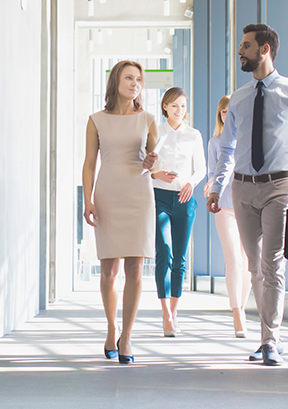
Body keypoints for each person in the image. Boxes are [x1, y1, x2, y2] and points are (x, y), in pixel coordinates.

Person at [206, 24, 288, 366]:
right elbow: (226, 148)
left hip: (279, 187)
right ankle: (267, 336)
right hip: (241, 189)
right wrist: (216, 187)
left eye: (246, 46)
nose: (240, 52)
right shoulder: (239, 97)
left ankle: (270, 340)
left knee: (273, 264)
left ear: (264, 50)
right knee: (254, 267)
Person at [83, 60, 159, 364]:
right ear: (116, 81)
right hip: (108, 194)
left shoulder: (148, 119)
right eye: (129, 78)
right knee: (108, 271)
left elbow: (156, 162)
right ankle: (111, 326)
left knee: (135, 271)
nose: (135, 83)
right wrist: (87, 200)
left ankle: (126, 335)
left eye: (139, 79)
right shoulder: (96, 120)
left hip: (139, 194)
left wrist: (154, 163)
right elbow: (89, 163)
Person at [150, 87, 205, 337]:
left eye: (183, 106)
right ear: (165, 107)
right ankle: (165, 315)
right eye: (174, 106)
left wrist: (190, 183)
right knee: (164, 251)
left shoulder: (193, 135)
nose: (179, 110)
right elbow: (144, 163)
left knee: (181, 258)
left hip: (184, 198)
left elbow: (201, 168)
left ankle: (174, 312)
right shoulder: (154, 131)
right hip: (158, 196)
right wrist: (156, 173)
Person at [203, 94, 253, 338]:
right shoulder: (215, 143)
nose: (227, 114)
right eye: (223, 111)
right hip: (224, 206)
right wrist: (212, 183)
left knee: (248, 262)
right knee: (233, 258)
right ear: (220, 114)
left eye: (230, 110)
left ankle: (241, 305)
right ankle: (237, 311)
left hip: (247, 205)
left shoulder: (248, 140)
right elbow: (213, 172)